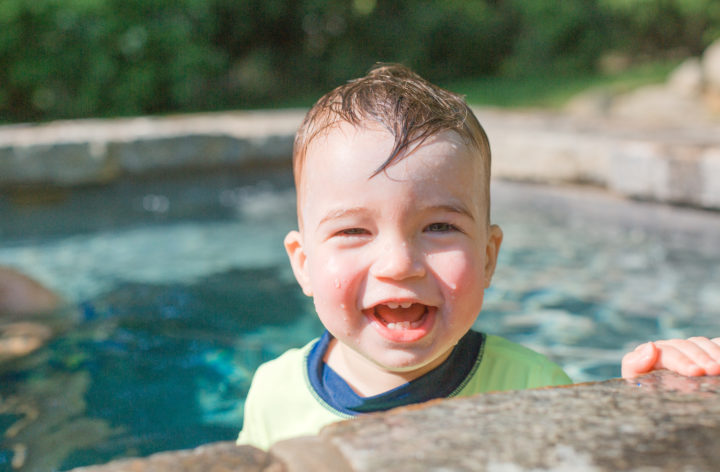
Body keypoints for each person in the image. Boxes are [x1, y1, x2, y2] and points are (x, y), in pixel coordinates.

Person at [237, 64, 720, 450]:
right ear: (303, 263)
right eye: (353, 230)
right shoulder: (273, 394)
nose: (399, 264)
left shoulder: (534, 389)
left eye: (439, 227)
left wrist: (650, 406)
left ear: (489, 257)